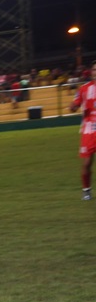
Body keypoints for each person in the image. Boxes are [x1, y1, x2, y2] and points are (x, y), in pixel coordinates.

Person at [69, 61, 96, 201]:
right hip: (89, 130)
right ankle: (86, 191)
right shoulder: (84, 89)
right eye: (94, 69)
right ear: (91, 72)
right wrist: (73, 106)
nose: (95, 72)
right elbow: (75, 103)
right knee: (86, 163)